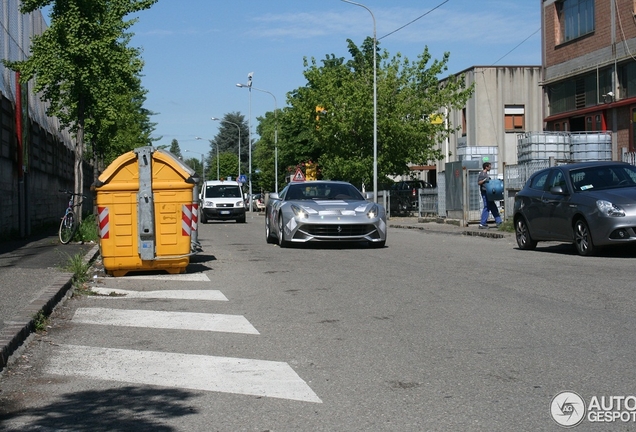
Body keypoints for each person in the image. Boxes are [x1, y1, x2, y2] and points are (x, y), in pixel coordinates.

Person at [477, 162, 502, 229]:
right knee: (487, 207)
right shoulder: (482, 174)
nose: (490, 168)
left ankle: (499, 221)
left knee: (493, 206)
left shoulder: (485, 174)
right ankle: (482, 223)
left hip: (488, 193)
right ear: (486, 167)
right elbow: (479, 182)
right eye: (489, 166)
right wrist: (485, 180)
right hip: (485, 193)